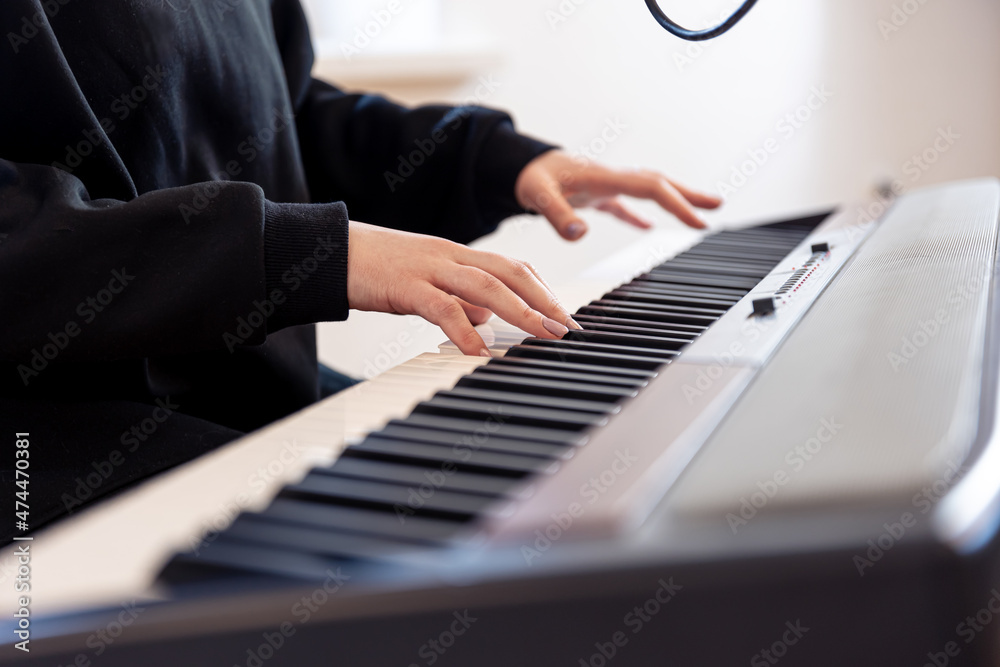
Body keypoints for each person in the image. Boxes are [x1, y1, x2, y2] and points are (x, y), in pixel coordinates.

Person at [0, 0, 720, 542]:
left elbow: (278, 119)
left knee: (548, 471)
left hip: (247, 396)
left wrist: (491, 162)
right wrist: (311, 251)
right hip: (48, 446)